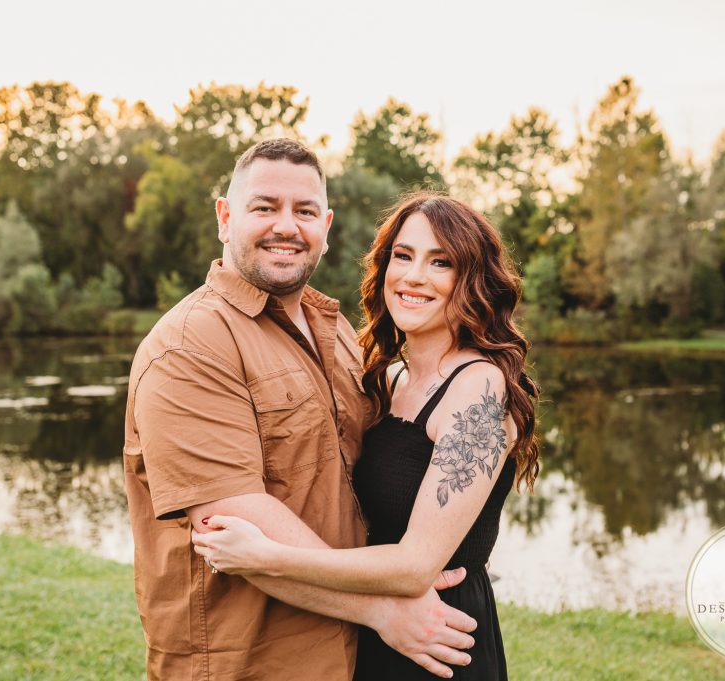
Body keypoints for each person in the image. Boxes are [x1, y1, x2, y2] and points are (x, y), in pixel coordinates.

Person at [124, 140, 478, 681]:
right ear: (225, 217)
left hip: (349, 656)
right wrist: (381, 611)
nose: (286, 226)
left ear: (326, 225)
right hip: (246, 659)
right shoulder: (189, 346)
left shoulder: (335, 331)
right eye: (264, 207)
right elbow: (234, 530)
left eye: (305, 211)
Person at [192, 193, 540, 680]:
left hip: (440, 637)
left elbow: (416, 565)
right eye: (403, 255)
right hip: (377, 632)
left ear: (472, 281)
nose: (414, 276)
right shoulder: (387, 378)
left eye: (441, 262)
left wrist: (265, 557)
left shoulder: (477, 387)